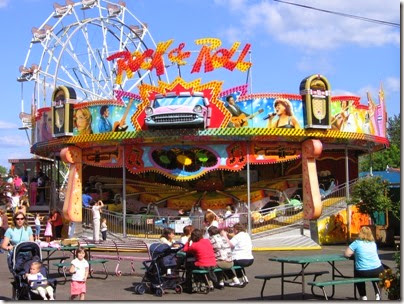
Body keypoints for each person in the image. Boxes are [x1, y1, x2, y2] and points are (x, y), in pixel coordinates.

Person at [344, 226, 384, 301]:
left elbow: (347, 254)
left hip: (363, 271)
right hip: (378, 269)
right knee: (375, 274)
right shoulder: (373, 243)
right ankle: (378, 294)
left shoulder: (357, 242)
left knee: (358, 273)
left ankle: (363, 296)